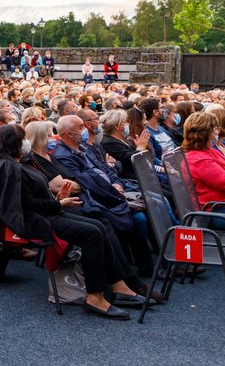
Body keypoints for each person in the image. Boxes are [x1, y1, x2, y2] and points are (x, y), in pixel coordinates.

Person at [0, 124, 156, 320]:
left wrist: (56, 201)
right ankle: (95, 297)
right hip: (33, 221)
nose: (26, 142)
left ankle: (119, 286)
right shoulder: (12, 167)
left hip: (44, 212)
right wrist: (58, 204)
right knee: (92, 233)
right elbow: (25, 204)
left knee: (98, 225)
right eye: (22, 139)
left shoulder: (11, 163)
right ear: (13, 143)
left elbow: (27, 199)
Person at [51, 115, 153, 275]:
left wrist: (117, 182)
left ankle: (147, 266)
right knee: (131, 220)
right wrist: (112, 188)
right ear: (69, 134)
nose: (84, 130)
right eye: (80, 127)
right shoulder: (63, 155)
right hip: (97, 198)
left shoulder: (84, 147)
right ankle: (125, 272)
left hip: (112, 192)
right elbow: (86, 182)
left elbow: (105, 168)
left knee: (142, 217)